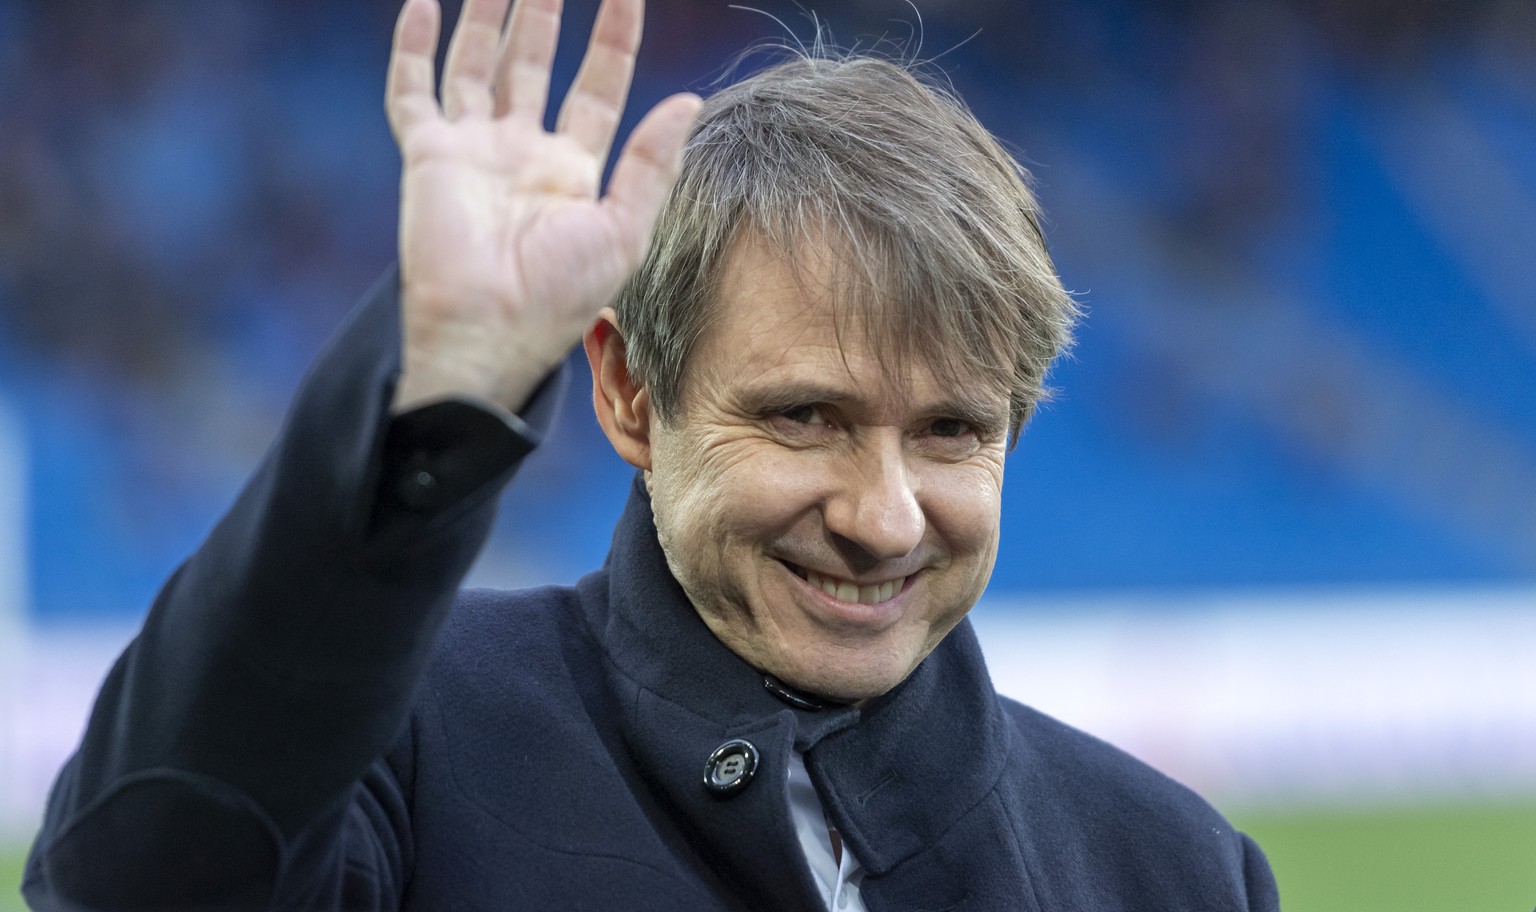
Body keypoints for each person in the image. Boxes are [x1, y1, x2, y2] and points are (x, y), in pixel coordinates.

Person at [24, 0, 1279, 908]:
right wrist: (437, 388)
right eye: (805, 418)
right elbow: (140, 882)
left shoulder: (1173, 871)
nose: (886, 518)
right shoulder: (405, 749)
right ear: (630, 391)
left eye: (953, 432)